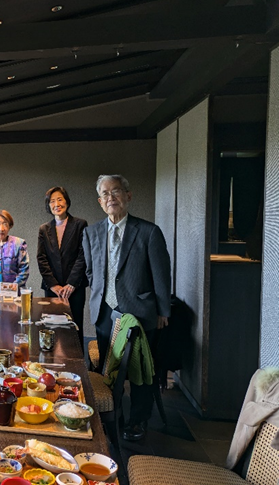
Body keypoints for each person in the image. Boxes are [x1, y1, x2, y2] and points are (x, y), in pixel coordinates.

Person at [83, 174, 171, 441]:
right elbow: (91, 271)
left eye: (116, 191)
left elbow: (161, 274)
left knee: (140, 369)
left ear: (128, 196)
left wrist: (163, 311)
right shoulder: (92, 232)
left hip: (140, 311)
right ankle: (112, 415)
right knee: (109, 368)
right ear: (100, 202)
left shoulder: (149, 231)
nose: (111, 197)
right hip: (104, 312)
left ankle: (138, 420)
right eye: (105, 194)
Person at [37, 187, 88, 341]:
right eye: (52, 201)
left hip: (74, 288)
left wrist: (71, 284)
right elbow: (41, 258)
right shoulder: (44, 229)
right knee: (51, 329)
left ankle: (77, 357)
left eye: (60, 199)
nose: (56, 204)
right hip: (52, 289)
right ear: (48, 205)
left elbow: (83, 256)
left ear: (67, 201)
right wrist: (53, 285)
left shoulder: (80, 224)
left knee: (74, 327)